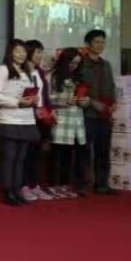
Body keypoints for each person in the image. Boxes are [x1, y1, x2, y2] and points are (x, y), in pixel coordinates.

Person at [0, 39, 40, 206]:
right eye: (17, 51)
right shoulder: (2, 70)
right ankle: (8, 191)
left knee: (21, 158)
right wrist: (16, 101)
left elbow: (31, 94)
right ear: (10, 52)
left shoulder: (27, 71)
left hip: (27, 119)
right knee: (9, 157)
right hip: (8, 119)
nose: (21, 54)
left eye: (24, 51)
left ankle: (17, 190)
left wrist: (34, 99)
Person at [79, 29, 117, 194]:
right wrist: (93, 103)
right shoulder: (81, 64)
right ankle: (82, 184)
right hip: (87, 114)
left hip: (104, 115)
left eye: (103, 42)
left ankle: (102, 184)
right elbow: (77, 89)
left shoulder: (106, 65)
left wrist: (113, 104)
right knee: (85, 151)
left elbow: (111, 86)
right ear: (88, 44)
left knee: (103, 151)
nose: (101, 45)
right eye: (97, 42)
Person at [49, 47, 89, 198]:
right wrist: (65, 100)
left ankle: (65, 185)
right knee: (57, 155)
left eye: (77, 63)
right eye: (71, 63)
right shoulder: (54, 76)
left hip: (76, 120)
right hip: (61, 119)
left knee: (69, 156)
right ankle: (54, 185)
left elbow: (84, 98)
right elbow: (47, 98)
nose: (74, 66)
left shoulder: (78, 78)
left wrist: (85, 101)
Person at [21, 39, 54, 201]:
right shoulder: (21, 71)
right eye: (38, 52)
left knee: (37, 153)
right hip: (27, 116)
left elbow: (44, 95)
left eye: (42, 52)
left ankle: (35, 184)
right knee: (25, 153)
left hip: (42, 117)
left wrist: (50, 110)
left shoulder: (40, 72)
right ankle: (23, 185)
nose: (40, 55)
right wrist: (34, 110)